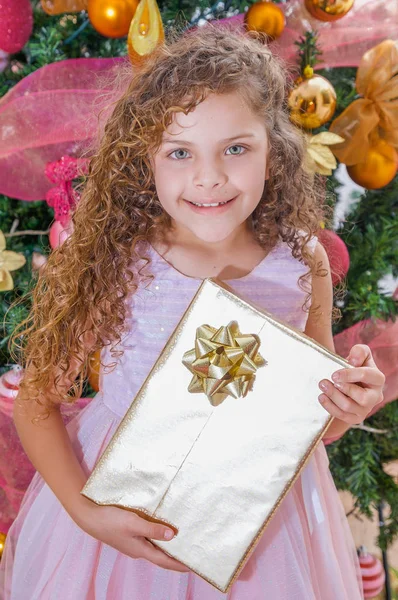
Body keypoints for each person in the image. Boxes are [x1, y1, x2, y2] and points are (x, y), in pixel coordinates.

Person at [0, 25, 385, 600]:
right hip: (126, 506)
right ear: (146, 159)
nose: (209, 176)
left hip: (264, 522)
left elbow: (311, 420)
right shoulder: (115, 256)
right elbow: (36, 402)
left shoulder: (303, 261)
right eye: (180, 152)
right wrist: (88, 514)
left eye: (236, 148)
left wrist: (347, 404)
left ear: (273, 150)